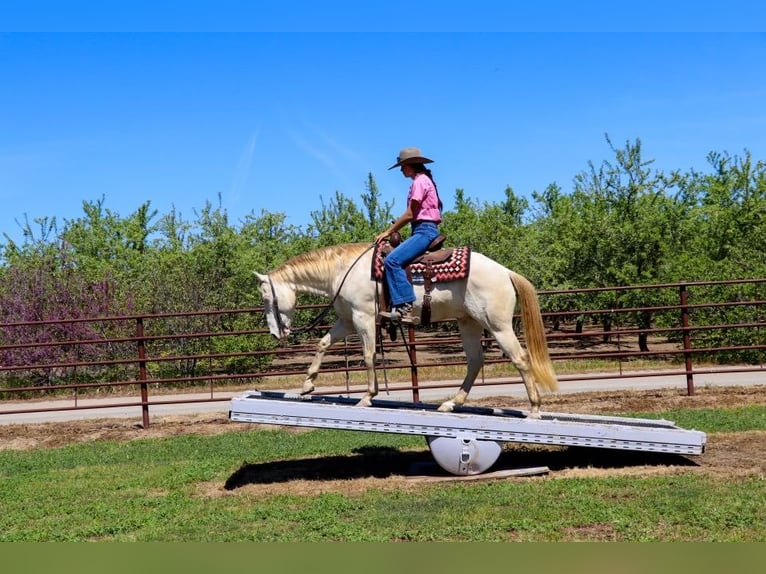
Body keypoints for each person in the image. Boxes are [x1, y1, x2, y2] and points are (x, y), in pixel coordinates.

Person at [376, 147, 443, 324]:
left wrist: (388, 232)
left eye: (403, 166)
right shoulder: (424, 180)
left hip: (424, 231)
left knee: (392, 261)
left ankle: (405, 306)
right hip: (423, 229)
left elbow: (410, 214)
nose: (401, 170)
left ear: (410, 165)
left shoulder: (419, 182)